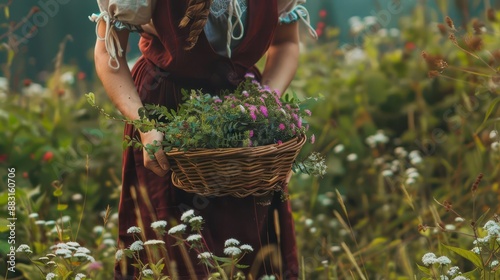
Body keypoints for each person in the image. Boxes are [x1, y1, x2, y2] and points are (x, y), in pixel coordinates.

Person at [91, 0, 317, 279]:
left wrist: (262, 109)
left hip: (241, 121)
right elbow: (108, 55)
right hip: (166, 114)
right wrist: (147, 126)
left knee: (246, 253)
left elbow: (285, 44)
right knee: (173, 251)